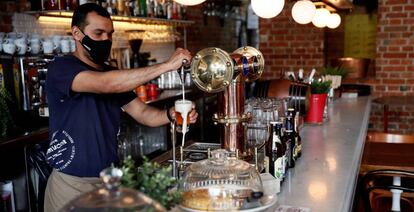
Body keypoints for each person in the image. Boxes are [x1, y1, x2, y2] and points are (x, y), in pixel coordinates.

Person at [43, 3, 197, 211]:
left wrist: (171, 115)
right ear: (77, 33)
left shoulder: (111, 73)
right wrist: (167, 66)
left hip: (108, 183)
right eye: (98, 33)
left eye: (109, 34)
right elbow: (105, 84)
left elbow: (143, 113)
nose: (106, 40)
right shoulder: (62, 68)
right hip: (71, 185)